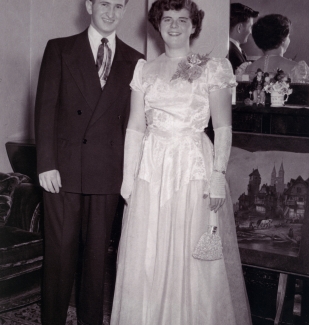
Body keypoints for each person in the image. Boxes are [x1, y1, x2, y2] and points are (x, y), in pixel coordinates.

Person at [110, 0, 252, 324]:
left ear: (193, 25)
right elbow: (134, 126)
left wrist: (218, 177)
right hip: (151, 168)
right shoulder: (143, 69)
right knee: (148, 254)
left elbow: (223, 128)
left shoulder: (213, 67)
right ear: (158, 24)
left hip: (192, 167)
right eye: (167, 19)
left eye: (182, 19)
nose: (174, 26)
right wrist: (128, 179)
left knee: (191, 252)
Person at [34, 0, 144, 324]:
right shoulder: (60, 49)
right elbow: (45, 110)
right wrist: (45, 163)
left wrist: (132, 174)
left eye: (119, 6)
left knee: (97, 262)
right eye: (104, 4)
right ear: (89, 5)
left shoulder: (136, 60)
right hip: (62, 171)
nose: (111, 13)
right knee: (60, 257)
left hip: (109, 171)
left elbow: (135, 125)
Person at [242, 14, 309, 83]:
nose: (289, 39)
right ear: (283, 40)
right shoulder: (297, 69)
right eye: (288, 36)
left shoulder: (247, 68)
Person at [228, 3, 259, 73]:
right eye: (250, 27)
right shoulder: (233, 54)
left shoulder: (233, 50)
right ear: (239, 28)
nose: (251, 32)